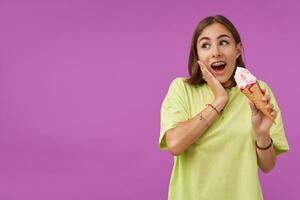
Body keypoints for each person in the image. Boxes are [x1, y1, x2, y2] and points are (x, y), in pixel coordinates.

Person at [159, 15, 289, 200]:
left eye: (224, 42)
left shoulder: (258, 91)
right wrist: (219, 100)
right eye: (205, 45)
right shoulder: (181, 89)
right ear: (198, 56)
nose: (216, 52)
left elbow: (267, 166)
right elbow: (175, 144)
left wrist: (262, 134)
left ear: (237, 50)